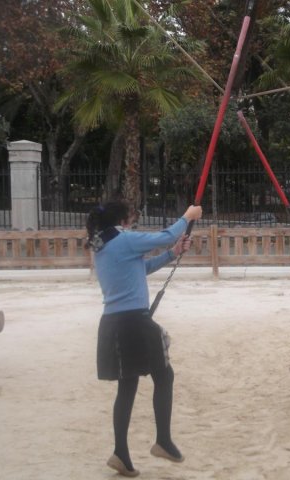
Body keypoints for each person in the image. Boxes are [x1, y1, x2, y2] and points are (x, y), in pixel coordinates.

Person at [85, 200, 202, 477]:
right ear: (123, 219)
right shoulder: (124, 239)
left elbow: (140, 269)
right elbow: (166, 235)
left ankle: (120, 454)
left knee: (127, 387)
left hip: (113, 323)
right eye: (132, 216)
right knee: (165, 376)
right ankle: (162, 440)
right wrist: (188, 215)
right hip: (134, 321)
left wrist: (172, 254)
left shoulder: (104, 245)